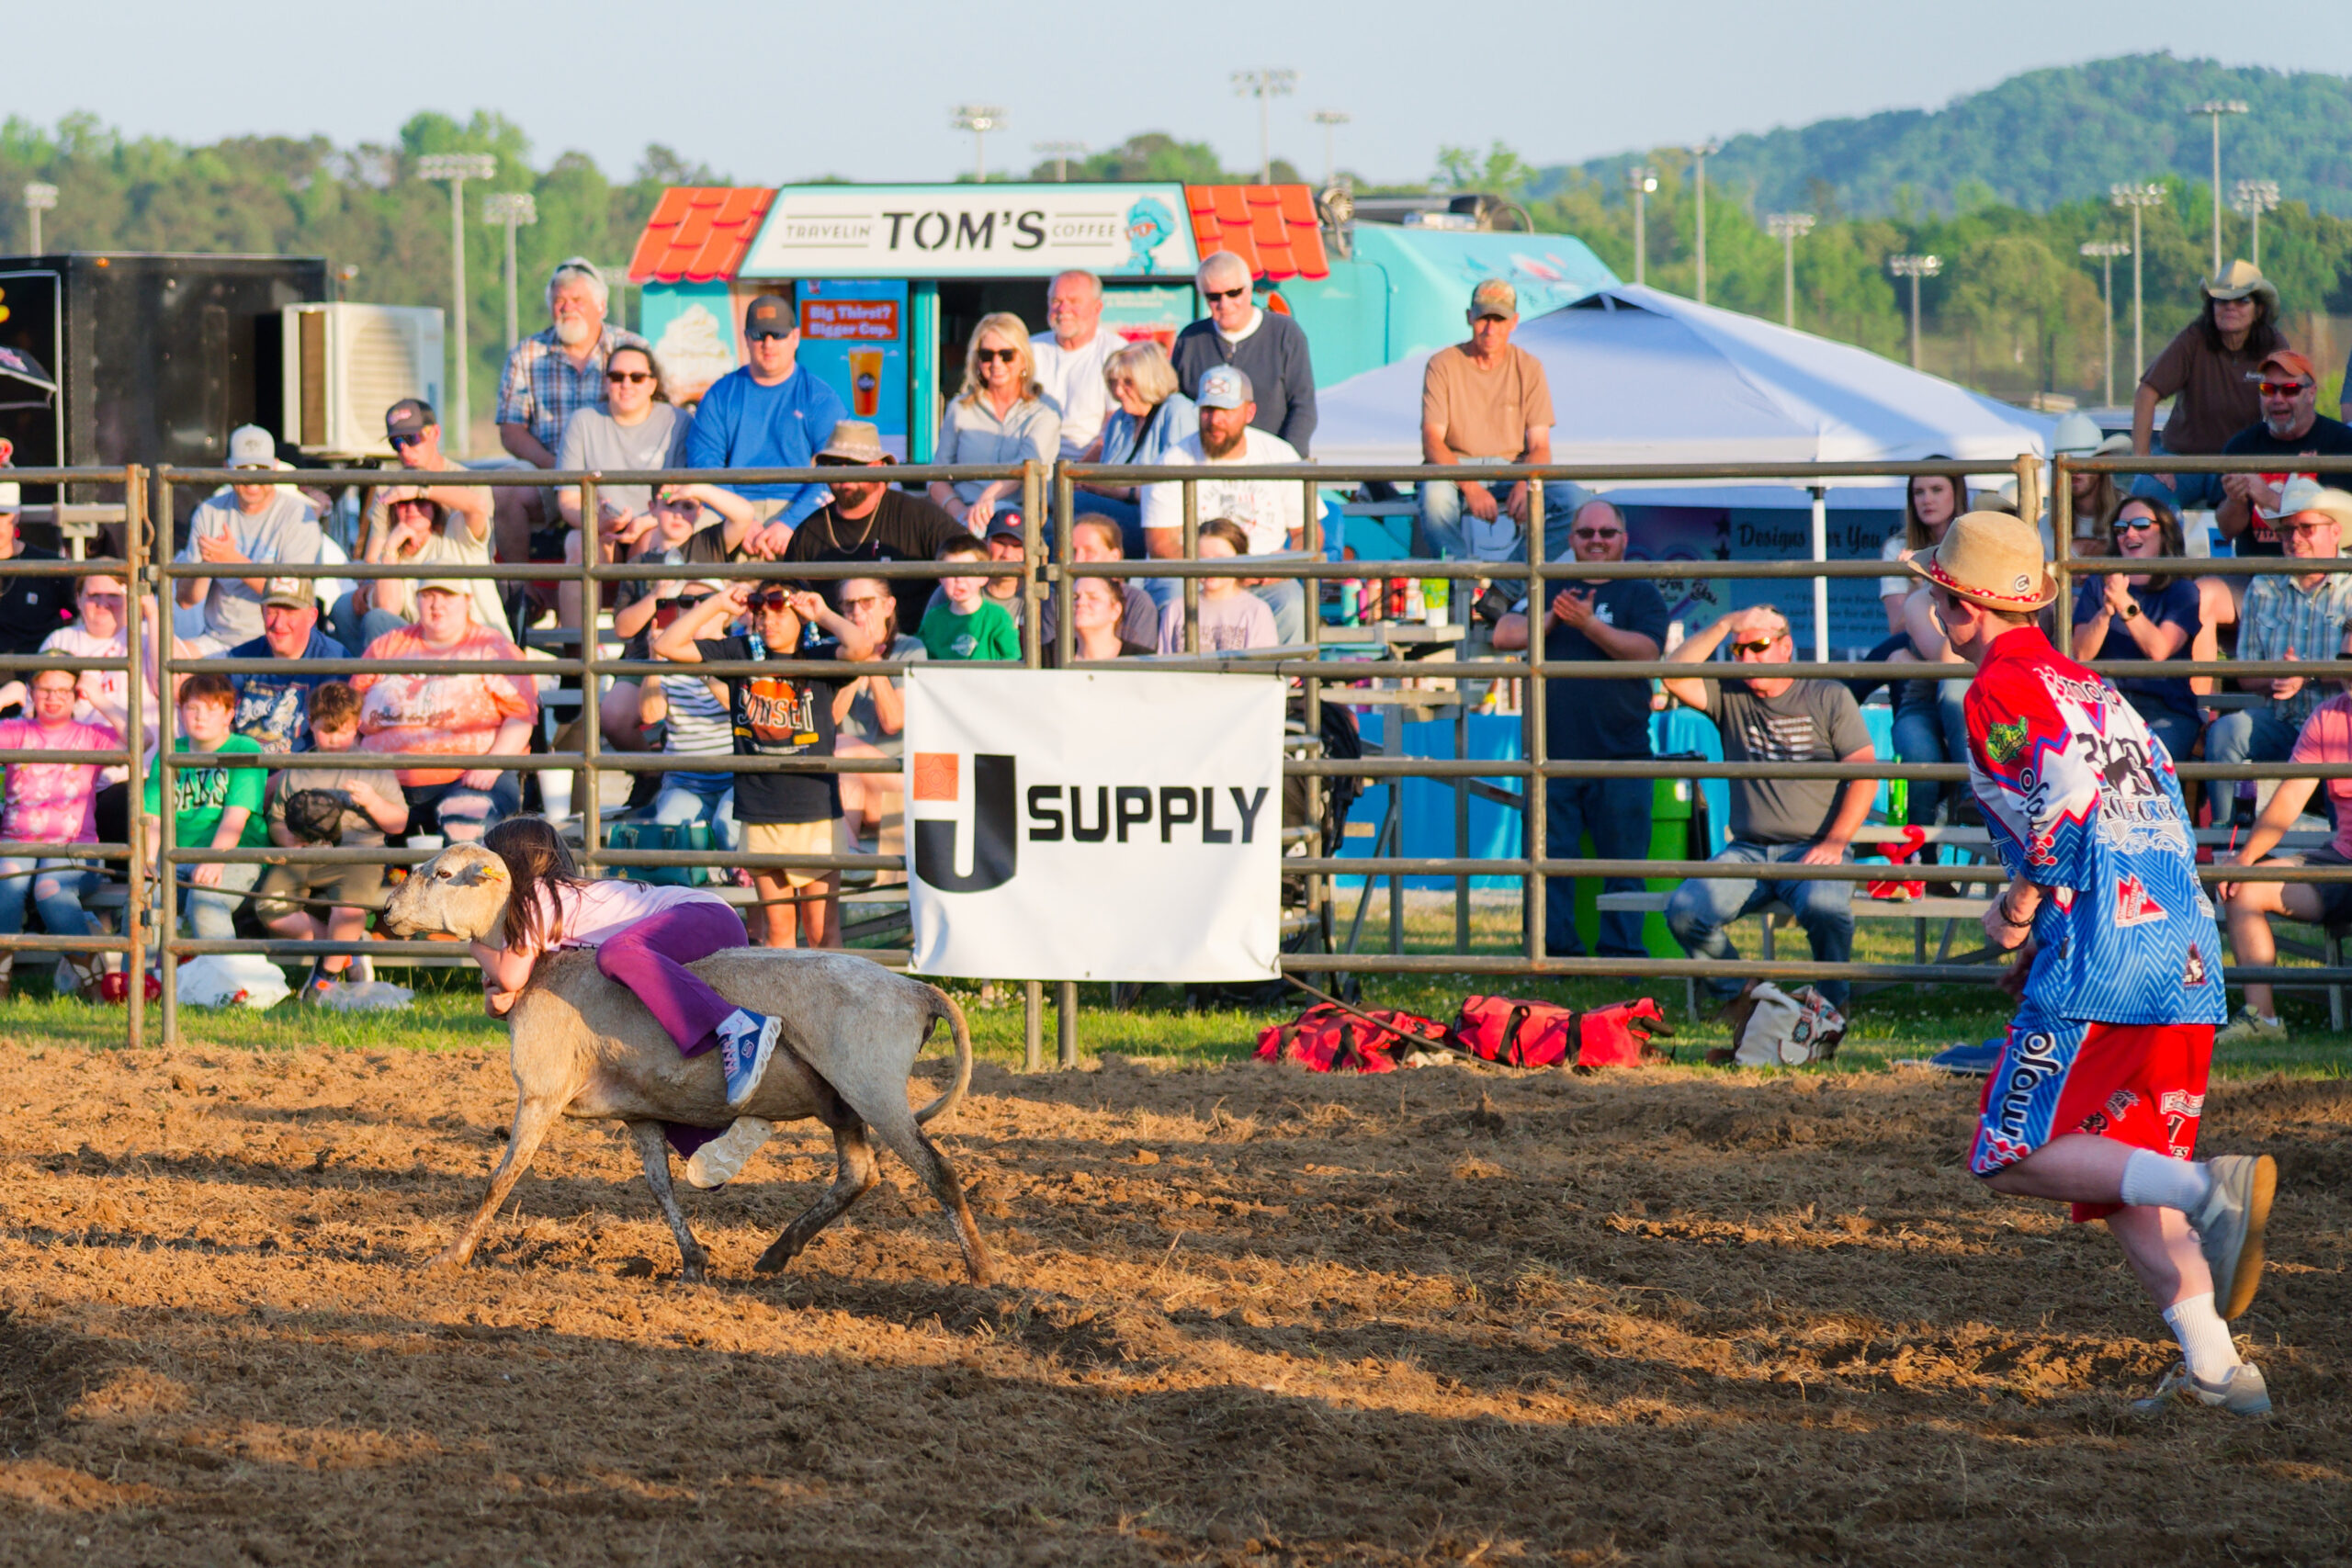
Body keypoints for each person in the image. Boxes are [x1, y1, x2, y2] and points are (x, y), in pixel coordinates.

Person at [1916, 507, 2274, 1418]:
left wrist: (2023, 905)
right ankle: (2218, 1374)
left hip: (2104, 942)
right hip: (2181, 943)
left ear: (1960, 606)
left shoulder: (1995, 690)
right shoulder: (2092, 686)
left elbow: (2063, 804)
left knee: (2010, 1152)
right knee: (2121, 1169)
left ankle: (2209, 1189)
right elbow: (2141, 796)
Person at [471, 816, 786, 1190]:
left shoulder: (539, 893)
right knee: (630, 1074)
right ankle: (716, 1140)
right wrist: (497, 996)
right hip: (694, 930)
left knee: (617, 952)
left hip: (704, 916)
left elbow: (509, 975)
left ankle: (738, 1026)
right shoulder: (545, 905)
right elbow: (510, 992)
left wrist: (475, 946)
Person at [1660, 604, 1878, 1014]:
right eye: (1738, 650)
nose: (1747, 658)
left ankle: (1832, 1006)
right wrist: (1726, 622)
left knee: (1826, 909)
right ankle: (1745, 995)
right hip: (1749, 850)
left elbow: (1864, 775)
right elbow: (1672, 674)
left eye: (1758, 646)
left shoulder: (1827, 694)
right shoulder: (1729, 694)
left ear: (1786, 647)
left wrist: (1835, 842)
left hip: (1814, 846)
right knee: (1685, 910)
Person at [652, 583, 877, 949]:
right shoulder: (740, 652)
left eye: (778, 611)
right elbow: (667, 645)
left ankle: (827, 1008)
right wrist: (717, 603)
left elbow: (861, 647)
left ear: (799, 616)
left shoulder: (819, 656)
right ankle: (785, 1008)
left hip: (814, 810)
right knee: (779, 932)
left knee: (823, 932)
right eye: (761, 612)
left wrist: (820, 612)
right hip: (759, 811)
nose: (768, 620)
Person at [1492, 498, 1668, 960]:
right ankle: (1555, 959)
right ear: (1570, 539)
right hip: (1552, 758)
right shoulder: (1549, 585)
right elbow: (1503, 634)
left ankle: (1622, 959)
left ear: (1624, 541)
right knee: (1550, 866)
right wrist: (1553, 618)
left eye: (1606, 533)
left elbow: (1647, 653)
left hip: (1623, 754)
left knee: (1624, 868)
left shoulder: (1642, 593)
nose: (1596, 541)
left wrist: (1588, 625)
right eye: (1586, 533)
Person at [2215, 665, 2352, 1047]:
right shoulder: (2328, 716)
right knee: (2243, 889)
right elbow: (2291, 796)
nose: (2350, 672)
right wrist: (2244, 861)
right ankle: (2265, 1021)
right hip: (2341, 861)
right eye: (2345, 658)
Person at [2203, 478, 2352, 820]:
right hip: (2284, 721)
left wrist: (2307, 675)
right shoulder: (2263, 585)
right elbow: (2246, 675)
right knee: (2226, 732)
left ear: (2334, 532)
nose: (2295, 539)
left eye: (2306, 528)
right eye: (2287, 531)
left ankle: (2340, 854)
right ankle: (2231, 839)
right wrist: (2278, 678)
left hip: (2341, 724)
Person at [254, 681, 409, 1002]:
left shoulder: (372, 766)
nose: (336, 739)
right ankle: (347, 951)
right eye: (327, 730)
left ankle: (324, 981)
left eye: (344, 730)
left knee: (348, 909)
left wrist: (372, 803)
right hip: (306, 854)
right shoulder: (298, 768)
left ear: (357, 726)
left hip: (359, 855)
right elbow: (278, 818)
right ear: (310, 724)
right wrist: (288, 841)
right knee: (269, 907)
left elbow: (398, 822)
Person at [350, 582, 538, 844]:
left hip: (466, 780)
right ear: (416, 601)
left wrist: (492, 764)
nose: (436, 604)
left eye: (447, 595)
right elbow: (349, 714)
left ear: (467, 600)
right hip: (385, 783)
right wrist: (357, 763)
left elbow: (521, 716)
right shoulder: (387, 646)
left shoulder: (492, 648)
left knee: (465, 823)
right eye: (427, 595)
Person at [493, 258, 651, 570]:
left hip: (620, 475)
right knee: (504, 487)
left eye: (577, 300)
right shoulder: (527, 353)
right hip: (551, 475)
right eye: (559, 301)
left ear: (601, 305)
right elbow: (511, 430)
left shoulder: (632, 349)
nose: (567, 308)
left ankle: (638, 605)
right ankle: (518, 591)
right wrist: (560, 468)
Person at [1136, 365, 1307, 640]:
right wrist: (1222, 570)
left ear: (1249, 412)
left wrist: (1281, 565)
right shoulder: (1173, 460)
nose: (1214, 420)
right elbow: (1160, 544)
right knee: (1172, 600)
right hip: (1191, 575)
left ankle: (1279, 681)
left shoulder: (1279, 454)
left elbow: (1308, 533)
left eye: (1225, 410)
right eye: (1207, 410)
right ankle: (1182, 679)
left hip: (1262, 579)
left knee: (1293, 603)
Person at [603, 483, 763, 753]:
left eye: (687, 505)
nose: (678, 514)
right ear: (652, 508)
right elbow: (623, 628)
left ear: (700, 510)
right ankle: (651, 774)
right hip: (647, 655)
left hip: (706, 650)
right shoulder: (639, 564)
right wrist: (656, 594)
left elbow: (744, 514)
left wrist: (697, 488)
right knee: (612, 716)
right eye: (669, 504)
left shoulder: (708, 545)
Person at [336, 400, 504, 646]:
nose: (404, 449)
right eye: (396, 442)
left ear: (435, 433)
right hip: (409, 587)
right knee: (348, 608)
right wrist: (377, 576)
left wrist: (421, 489)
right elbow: (374, 558)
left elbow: (476, 508)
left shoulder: (460, 518)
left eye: (412, 438)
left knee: (380, 618)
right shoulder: (390, 489)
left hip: (459, 588)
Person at [556, 342, 695, 635]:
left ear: (652, 383)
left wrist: (649, 520)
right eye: (617, 376)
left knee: (652, 546)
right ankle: (576, 664)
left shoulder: (677, 421)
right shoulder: (583, 422)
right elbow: (568, 499)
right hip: (601, 527)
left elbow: (682, 491)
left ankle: (641, 655)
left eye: (637, 377)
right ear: (606, 382)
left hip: (653, 523)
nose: (626, 384)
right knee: (578, 546)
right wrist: (597, 523)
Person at [1417, 278, 1558, 566]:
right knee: (1434, 498)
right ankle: (1461, 578)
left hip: (1515, 469)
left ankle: (1511, 583)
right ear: (1469, 317)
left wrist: (1526, 480)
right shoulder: (1442, 364)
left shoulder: (1529, 367)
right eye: (1483, 317)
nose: (1490, 328)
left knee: (1574, 502)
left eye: (1499, 319)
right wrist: (1470, 487)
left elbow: (1541, 446)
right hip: (1455, 467)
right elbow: (1432, 441)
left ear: (1514, 322)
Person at [782, 420, 966, 637]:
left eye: (853, 463)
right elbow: (787, 595)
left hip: (911, 649)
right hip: (834, 653)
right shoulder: (808, 531)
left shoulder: (920, 517)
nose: (843, 473)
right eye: (833, 463)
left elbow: (969, 560)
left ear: (879, 466)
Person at [2132, 261, 2288, 513]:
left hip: (2244, 463)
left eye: (2241, 301)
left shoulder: (2274, 345)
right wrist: (2143, 460)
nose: (2230, 307)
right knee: (2144, 499)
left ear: (2259, 310)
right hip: (2183, 461)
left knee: (2272, 502)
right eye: (2221, 301)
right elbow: (2147, 392)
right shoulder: (2193, 339)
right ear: (2211, 307)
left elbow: (2293, 399)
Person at [0, 667, 116, 996]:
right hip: (16, 844)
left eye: (63, 690)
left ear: (77, 695)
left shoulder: (90, 735)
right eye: (45, 690)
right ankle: (1, 981)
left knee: (49, 888)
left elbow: (142, 740)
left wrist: (101, 699)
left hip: (74, 847)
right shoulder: (15, 730)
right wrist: (4, 698)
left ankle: (93, 982)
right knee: (6, 884)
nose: (53, 698)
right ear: (31, 693)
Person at [685, 295, 845, 532]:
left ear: (795, 337)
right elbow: (705, 465)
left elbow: (834, 471)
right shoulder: (720, 395)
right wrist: (742, 522)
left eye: (778, 335)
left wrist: (789, 524)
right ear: (746, 339)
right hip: (732, 508)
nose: (768, 344)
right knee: (681, 540)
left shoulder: (820, 397)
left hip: (802, 509)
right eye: (760, 335)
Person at [2067, 497, 2203, 761]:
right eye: (2121, 527)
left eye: (2141, 525)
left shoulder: (2182, 590)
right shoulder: (2099, 584)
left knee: (2148, 766)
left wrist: (2123, 601)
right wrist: (2105, 611)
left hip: (2165, 711)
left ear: (2164, 533)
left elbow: (2159, 650)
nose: (2129, 533)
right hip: (2106, 706)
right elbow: (2081, 653)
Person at [176, 425, 324, 656]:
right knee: (162, 663)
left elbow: (293, 596)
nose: (253, 478)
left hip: (280, 641)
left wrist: (232, 561)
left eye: (261, 468)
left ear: (275, 467)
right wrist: (204, 566)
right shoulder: (209, 511)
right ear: (227, 468)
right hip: (219, 641)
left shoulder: (298, 514)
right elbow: (186, 601)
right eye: (243, 468)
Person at [144, 672, 269, 943]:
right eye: (193, 708)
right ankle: (146, 982)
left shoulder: (243, 748)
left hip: (236, 853)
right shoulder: (169, 753)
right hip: (177, 855)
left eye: (212, 710)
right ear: (181, 712)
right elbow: (152, 816)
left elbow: (235, 817)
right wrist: (148, 861)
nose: (201, 717)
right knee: (145, 898)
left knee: (205, 900)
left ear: (229, 715)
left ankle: (224, 981)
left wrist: (215, 858)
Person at [1885, 471, 1976, 829]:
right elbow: (1904, 627)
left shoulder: (1975, 564)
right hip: (1923, 689)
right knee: (1917, 759)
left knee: (1954, 687)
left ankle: (1973, 792)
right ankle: (1919, 866)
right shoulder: (1905, 559)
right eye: (1919, 492)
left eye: (1937, 490)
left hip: (1966, 684)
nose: (1927, 499)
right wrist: (1921, 584)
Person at [1170, 251, 1316, 455]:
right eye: (1214, 296)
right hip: (1205, 466)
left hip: (1271, 467)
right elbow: (1176, 408)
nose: (1225, 304)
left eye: (1233, 293)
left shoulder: (1285, 335)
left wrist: (1288, 465)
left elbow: (1303, 408)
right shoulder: (1190, 340)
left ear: (1249, 290)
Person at [930, 314, 1059, 532]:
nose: (996, 363)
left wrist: (987, 499)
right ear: (976, 361)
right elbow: (936, 477)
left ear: (1024, 359)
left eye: (1006, 355)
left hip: (1021, 517)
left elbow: (1026, 467)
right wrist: (961, 513)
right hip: (965, 515)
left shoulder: (1045, 410)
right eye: (987, 355)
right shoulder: (960, 408)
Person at [2214, 350, 2352, 556]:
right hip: (2256, 574)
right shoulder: (2241, 446)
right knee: (2207, 588)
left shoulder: (2342, 442)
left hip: (2323, 574)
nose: (2278, 399)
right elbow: (2227, 531)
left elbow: (2339, 522)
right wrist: (2236, 500)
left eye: (2290, 390)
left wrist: (2269, 498)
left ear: (2311, 393)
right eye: (2268, 390)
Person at [641, 580, 743, 854]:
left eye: (707, 600)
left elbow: (738, 706)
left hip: (736, 778)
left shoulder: (738, 650)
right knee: (669, 830)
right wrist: (655, 662)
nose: (697, 608)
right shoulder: (667, 656)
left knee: (728, 825)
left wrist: (702, 666)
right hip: (684, 781)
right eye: (687, 602)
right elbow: (651, 714)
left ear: (726, 612)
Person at [1074, 341, 1196, 554]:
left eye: (1128, 382)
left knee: (1074, 504)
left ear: (1150, 379)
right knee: (1050, 530)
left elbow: (1180, 491)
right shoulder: (1120, 419)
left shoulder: (1177, 411)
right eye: (1113, 382)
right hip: (1118, 512)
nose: (1119, 391)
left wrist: (1119, 491)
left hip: (1159, 523)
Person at [831, 575, 924, 849]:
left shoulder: (910, 649)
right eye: (849, 606)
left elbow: (894, 721)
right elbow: (830, 719)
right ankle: (851, 857)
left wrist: (873, 661)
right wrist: (856, 660)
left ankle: (849, 858)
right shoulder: (833, 651)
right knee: (844, 766)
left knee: (840, 750)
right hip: (852, 777)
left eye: (867, 602)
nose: (857, 612)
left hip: (897, 776)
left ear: (888, 606)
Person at [226, 579, 348, 754]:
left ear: (311, 617)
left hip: (301, 775)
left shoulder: (334, 663)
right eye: (273, 612)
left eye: (290, 612)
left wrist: (282, 778)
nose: (279, 624)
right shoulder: (239, 658)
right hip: (242, 771)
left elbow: (332, 741)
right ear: (262, 612)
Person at [1030, 271, 1125, 461]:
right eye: (1056, 301)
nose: (1063, 309)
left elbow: (1116, 427)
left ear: (1097, 308)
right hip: (1032, 465)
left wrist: (1077, 476)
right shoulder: (1029, 350)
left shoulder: (1117, 353)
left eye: (1074, 302)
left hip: (1090, 469)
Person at [1038, 514, 1159, 653]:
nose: (1078, 559)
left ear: (1114, 557)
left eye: (1089, 551)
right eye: (1073, 551)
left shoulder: (1137, 603)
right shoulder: (1056, 602)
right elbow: (1050, 659)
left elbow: (1138, 661)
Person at [1158, 519, 1278, 652]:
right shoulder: (1176, 609)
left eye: (1221, 558)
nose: (1210, 567)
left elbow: (1262, 668)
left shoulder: (1256, 611)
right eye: (1202, 558)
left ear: (1240, 559)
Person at [0, 481, 75, 659]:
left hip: (36, 679)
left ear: (17, 514)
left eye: (2, 514)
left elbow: (93, 612)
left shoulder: (49, 566)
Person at [920, 536, 1021, 661]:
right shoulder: (933, 620)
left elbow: (1013, 660)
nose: (959, 579)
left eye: (967, 571)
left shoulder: (998, 617)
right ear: (941, 578)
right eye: (951, 572)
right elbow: (922, 661)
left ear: (983, 577)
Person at [1057, 574, 1157, 663]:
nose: (1080, 603)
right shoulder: (1050, 655)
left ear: (1115, 610)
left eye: (1093, 598)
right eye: (1075, 597)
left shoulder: (1142, 659)